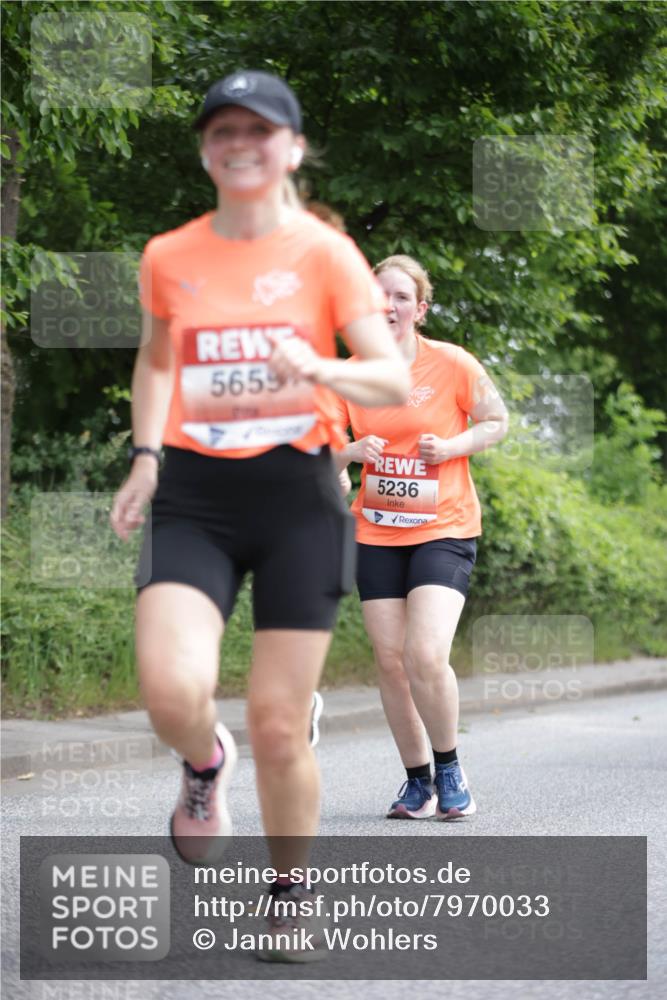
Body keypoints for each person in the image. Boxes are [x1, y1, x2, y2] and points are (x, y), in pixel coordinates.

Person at [110, 70, 409, 960]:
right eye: (221, 130)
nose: (239, 143)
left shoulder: (323, 253)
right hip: (195, 494)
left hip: (297, 498)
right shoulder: (170, 253)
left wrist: (318, 371)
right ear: (206, 149)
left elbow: (388, 377)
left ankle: (290, 893)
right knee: (170, 689)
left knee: (280, 721)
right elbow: (157, 361)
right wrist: (147, 453)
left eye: (259, 129)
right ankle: (205, 763)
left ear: (293, 146)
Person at [332, 255, 508, 820]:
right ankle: (417, 782)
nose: (387, 305)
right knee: (390, 661)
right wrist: (349, 453)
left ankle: (450, 767)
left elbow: (496, 420)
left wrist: (451, 447)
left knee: (425, 652)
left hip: (445, 527)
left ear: (420, 308)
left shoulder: (452, 363)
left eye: (400, 296)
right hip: (376, 532)